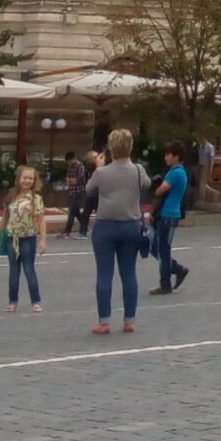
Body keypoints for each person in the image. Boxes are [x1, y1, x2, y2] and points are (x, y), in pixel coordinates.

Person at [86, 129, 149, 334]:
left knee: (104, 274)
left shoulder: (102, 172)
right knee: (129, 274)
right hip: (130, 225)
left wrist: (99, 167)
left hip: (105, 226)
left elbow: (89, 190)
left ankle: (104, 322)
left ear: (110, 148)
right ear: (130, 147)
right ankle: (129, 320)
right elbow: (147, 184)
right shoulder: (138, 170)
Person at [2, 165, 46, 312]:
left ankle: (36, 301)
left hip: (28, 237)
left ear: (34, 181)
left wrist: (42, 239)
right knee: (13, 270)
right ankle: (12, 301)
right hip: (12, 237)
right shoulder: (11, 196)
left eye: (30, 178)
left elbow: (41, 219)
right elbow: (5, 217)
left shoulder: (36, 199)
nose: (27, 181)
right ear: (18, 179)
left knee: (29, 269)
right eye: (24, 178)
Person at [149, 142, 190, 295]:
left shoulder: (176, 173)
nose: (165, 157)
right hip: (165, 213)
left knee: (163, 250)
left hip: (169, 214)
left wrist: (156, 186)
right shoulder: (174, 172)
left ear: (176, 156)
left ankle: (165, 284)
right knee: (156, 248)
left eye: (168, 154)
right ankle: (178, 269)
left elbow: (160, 191)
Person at [63, 150, 93, 237]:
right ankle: (85, 227)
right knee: (76, 212)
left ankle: (67, 231)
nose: (69, 162)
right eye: (68, 161)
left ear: (74, 158)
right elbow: (67, 178)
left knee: (71, 211)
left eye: (70, 160)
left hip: (79, 191)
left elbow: (79, 179)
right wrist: (70, 180)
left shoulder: (80, 166)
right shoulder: (70, 166)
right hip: (72, 191)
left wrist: (71, 180)